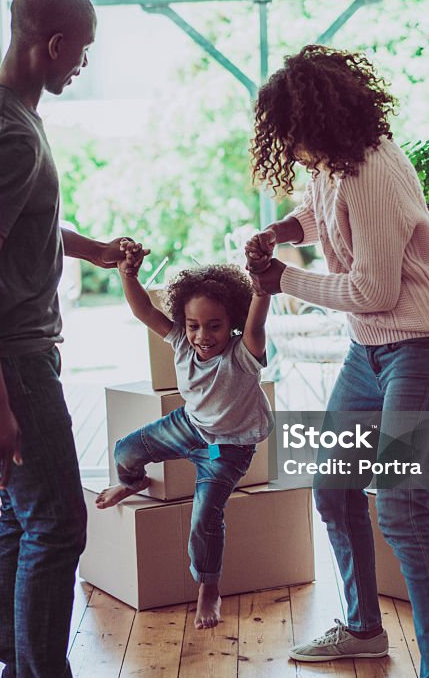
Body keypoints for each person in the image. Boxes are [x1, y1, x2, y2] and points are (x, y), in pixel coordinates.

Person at [245, 45, 429, 678]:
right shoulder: (333, 164)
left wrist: (282, 281)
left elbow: (374, 292)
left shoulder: (372, 170)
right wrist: (281, 235)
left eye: (291, 132)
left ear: (318, 122)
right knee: (335, 490)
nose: (288, 146)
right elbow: (321, 216)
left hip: (424, 351)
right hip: (369, 352)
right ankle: (363, 631)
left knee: (403, 506)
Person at [0, 0, 128, 675]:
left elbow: (10, 227)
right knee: (60, 522)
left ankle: (18, 662)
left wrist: (95, 251)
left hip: (1, 344)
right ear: (56, 43)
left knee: (24, 511)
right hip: (4, 352)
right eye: (85, 48)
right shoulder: (9, 130)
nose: (85, 62)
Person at [95, 242, 273, 631]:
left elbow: (257, 325)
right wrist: (128, 275)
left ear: (233, 324)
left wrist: (260, 288)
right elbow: (143, 310)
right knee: (125, 450)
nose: (202, 336)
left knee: (205, 517)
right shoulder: (179, 341)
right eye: (194, 325)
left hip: (228, 448)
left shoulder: (243, 355)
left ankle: (209, 587)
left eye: (214, 326)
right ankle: (134, 481)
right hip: (188, 426)